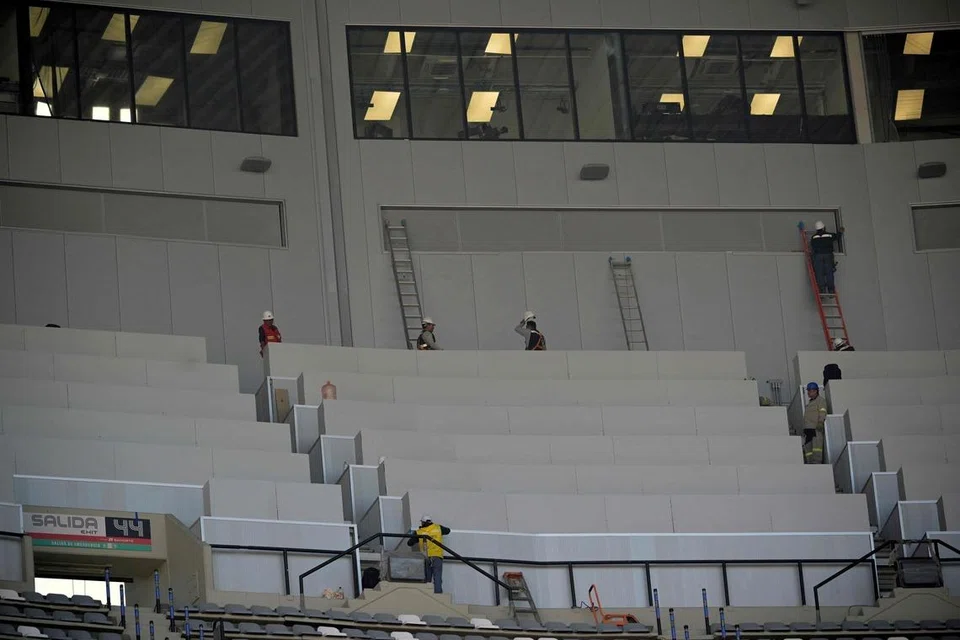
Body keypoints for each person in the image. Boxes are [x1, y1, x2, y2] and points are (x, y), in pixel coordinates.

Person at [406, 515, 451, 594]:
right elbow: (448, 530)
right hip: (437, 556)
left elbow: (409, 543)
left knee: (427, 578)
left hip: (425, 557)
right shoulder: (438, 528)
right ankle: (438, 594)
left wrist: (415, 534)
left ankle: (427, 594)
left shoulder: (419, 532)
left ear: (423, 522)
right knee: (437, 576)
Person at [810, 221, 844, 294]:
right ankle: (831, 290)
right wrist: (840, 232)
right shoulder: (829, 235)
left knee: (819, 273)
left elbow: (812, 247)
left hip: (818, 256)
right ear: (823, 227)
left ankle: (822, 289)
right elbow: (837, 237)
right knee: (829, 272)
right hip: (828, 255)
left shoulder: (813, 237)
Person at [802, 382, 828, 464]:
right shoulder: (810, 403)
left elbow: (822, 411)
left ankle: (817, 463)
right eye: (808, 391)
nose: (808, 392)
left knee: (817, 448)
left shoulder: (820, 401)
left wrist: (820, 421)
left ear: (816, 391)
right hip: (808, 429)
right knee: (808, 449)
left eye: (810, 390)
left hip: (815, 428)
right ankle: (810, 463)